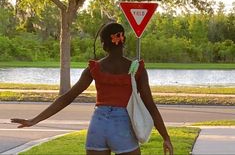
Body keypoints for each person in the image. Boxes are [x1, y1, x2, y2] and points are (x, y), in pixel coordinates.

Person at [11, 22, 173, 155]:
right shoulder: (137, 69)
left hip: (98, 125)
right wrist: (166, 137)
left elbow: (68, 97)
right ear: (123, 41)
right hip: (122, 127)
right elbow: (150, 105)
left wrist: (35, 120)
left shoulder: (95, 69)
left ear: (104, 45)